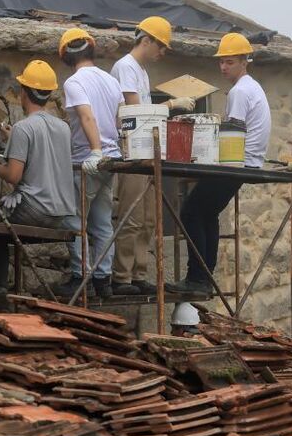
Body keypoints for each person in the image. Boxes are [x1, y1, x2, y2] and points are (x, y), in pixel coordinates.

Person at [167, 33, 271, 294]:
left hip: (237, 162)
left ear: (244, 62)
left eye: (230, 62)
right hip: (247, 162)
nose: (224, 67)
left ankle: (197, 278)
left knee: (191, 212)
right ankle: (204, 277)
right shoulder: (252, 87)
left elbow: (232, 134)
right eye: (222, 62)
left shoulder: (240, 91)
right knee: (207, 212)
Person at [0, 60, 77, 308]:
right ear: (48, 94)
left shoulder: (23, 128)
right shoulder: (63, 128)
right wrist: (15, 139)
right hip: (60, 213)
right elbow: (44, 156)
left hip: (35, 210)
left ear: (24, 92)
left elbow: (13, 176)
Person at [110, 16, 196, 295]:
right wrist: (170, 104)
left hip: (147, 151)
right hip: (132, 152)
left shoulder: (142, 71)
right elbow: (135, 111)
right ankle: (122, 277)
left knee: (148, 219)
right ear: (146, 40)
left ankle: (138, 274)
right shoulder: (126, 67)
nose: (162, 53)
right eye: (161, 46)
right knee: (132, 216)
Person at [52, 28, 124, 299]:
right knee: (102, 222)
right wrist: (108, 150)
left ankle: (80, 277)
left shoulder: (74, 82)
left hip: (88, 160)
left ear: (65, 57)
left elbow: (86, 116)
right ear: (91, 50)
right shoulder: (111, 80)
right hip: (111, 160)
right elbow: (119, 120)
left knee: (74, 219)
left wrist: (95, 150)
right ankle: (103, 280)